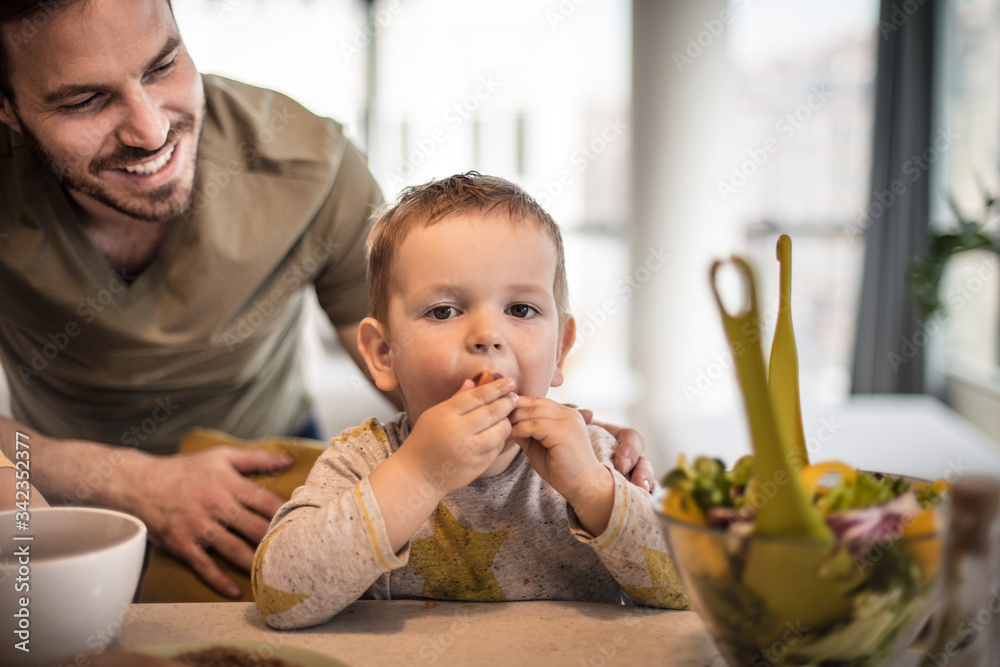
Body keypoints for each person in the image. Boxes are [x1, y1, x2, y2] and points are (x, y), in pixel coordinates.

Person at [0, 1, 653, 600]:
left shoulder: (308, 164)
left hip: (276, 484)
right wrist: (128, 480)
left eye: (164, 65)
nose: (148, 130)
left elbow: (418, 362)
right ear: (6, 107)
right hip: (46, 479)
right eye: (85, 101)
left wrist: (545, 432)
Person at [252, 173, 688, 629]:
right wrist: (417, 472)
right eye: (443, 311)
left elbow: (692, 590)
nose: (487, 336)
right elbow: (282, 597)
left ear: (560, 349)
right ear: (384, 354)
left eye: (520, 309)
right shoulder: (361, 461)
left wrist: (595, 491)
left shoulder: (595, 456)